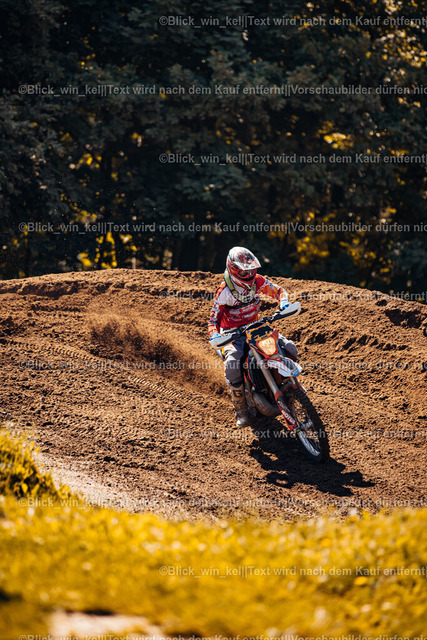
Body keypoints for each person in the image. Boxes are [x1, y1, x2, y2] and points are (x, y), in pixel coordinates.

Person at [208, 246, 298, 428]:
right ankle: (241, 409)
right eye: (244, 272)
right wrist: (215, 335)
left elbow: (278, 291)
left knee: (290, 348)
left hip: (257, 326)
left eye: (251, 270)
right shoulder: (224, 291)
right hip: (233, 333)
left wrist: (284, 303)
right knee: (232, 364)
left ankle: (288, 384)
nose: (249, 275)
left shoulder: (257, 281)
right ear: (233, 270)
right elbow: (213, 320)